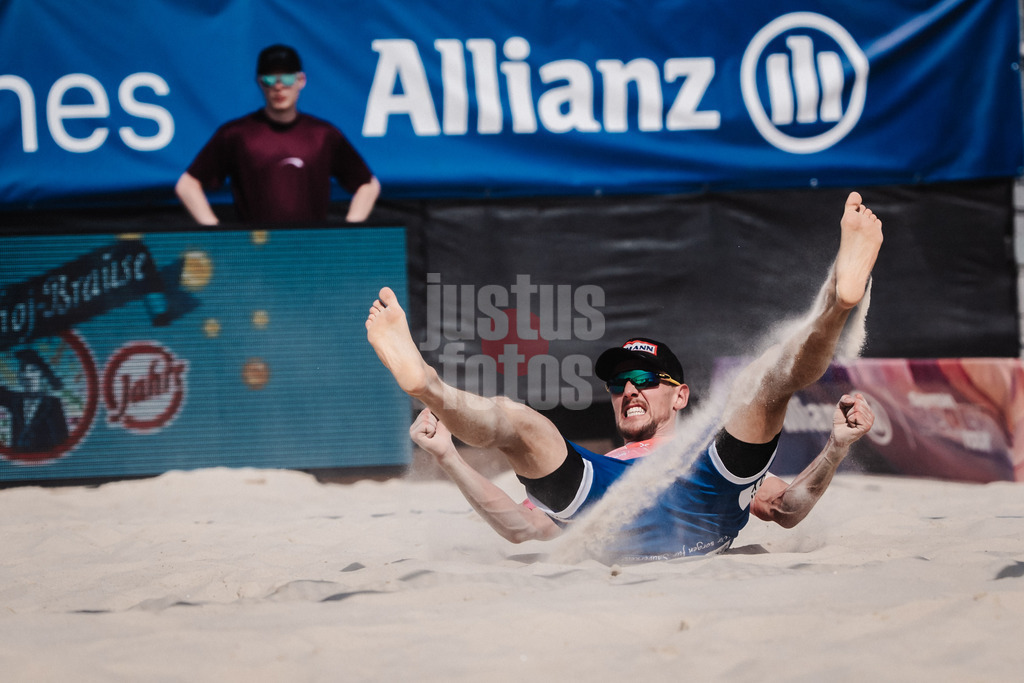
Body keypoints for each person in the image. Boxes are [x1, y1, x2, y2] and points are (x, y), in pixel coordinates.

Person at [367, 192, 882, 561]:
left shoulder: (712, 456)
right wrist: (446, 455)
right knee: (519, 420)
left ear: (680, 396)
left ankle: (838, 304)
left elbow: (788, 510)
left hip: (704, 487)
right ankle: (427, 386)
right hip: (610, 497)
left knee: (766, 379)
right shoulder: (604, 464)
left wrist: (836, 447)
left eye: (643, 378)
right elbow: (522, 528)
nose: (628, 389)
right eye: (618, 384)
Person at [175, 44, 380, 225]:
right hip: (255, 257)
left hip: (312, 256)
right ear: (259, 82)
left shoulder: (323, 135)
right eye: (270, 78)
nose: (279, 86)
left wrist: (350, 231)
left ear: (301, 80)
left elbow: (368, 185)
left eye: (288, 77)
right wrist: (215, 232)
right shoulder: (237, 134)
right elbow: (187, 185)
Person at [0, 349, 69, 453]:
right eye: (23, 370)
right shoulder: (14, 400)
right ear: (20, 377)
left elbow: (62, 440)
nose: (28, 376)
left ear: (41, 374)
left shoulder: (53, 404)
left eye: (33, 370)